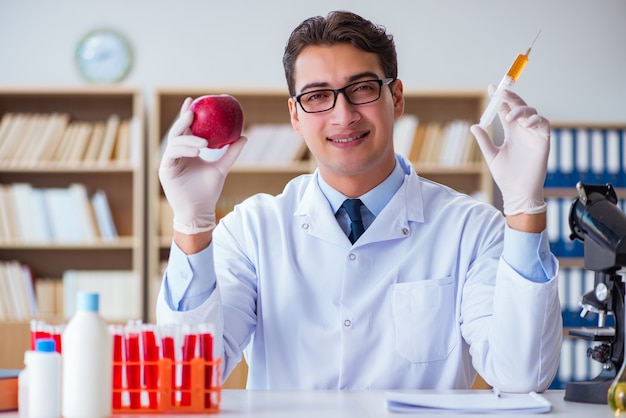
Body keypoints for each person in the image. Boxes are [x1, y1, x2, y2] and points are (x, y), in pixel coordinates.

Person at [157, 10, 562, 391]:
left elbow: (520, 378)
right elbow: (187, 379)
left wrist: (525, 208)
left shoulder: (472, 230)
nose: (343, 114)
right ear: (296, 116)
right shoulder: (252, 230)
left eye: (363, 88)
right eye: (317, 96)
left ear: (397, 97)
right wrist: (191, 224)